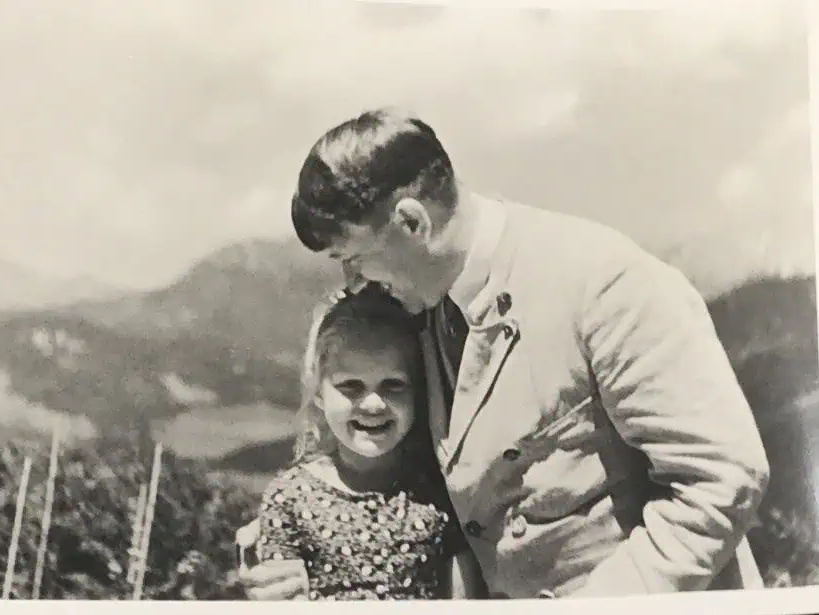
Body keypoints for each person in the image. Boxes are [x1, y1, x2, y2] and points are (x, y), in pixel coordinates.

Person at [239, 108, 770, 599]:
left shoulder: (603, 283)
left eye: (353, 259)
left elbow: (723, 477)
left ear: (411, 222)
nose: (352, 283)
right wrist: (299, 543)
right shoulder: (421, 309)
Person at [246, 284, 481, 600]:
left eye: (393, 385)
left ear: (418, 392)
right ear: (318, 392)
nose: (373, 404)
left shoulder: (440, 491)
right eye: (351, 386)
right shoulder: (290, 499)